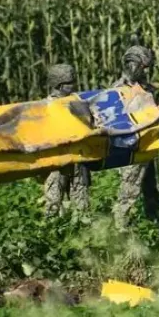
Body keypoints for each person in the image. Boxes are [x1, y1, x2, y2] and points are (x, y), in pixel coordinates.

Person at [112, 43, 159, 230]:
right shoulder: (118, 90)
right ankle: (123, 229)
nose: (146, 71)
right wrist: (155, 112)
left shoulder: (147, 87)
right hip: (131, 147)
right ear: (132, 64)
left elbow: (151, 114)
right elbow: (123, 120)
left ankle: (155, 224)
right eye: (143, 67)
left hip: (149, 144)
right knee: (129, 190)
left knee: (152, 189)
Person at [42, 63, 91, 218]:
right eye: (70, 83)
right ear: (60, 85)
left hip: (78, 157)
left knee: (81, 200)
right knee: (54, 199)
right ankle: (53, 232)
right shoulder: (46, 106)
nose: (74, 86)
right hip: (57, 160)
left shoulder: (76, 101)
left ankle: (82, 232)